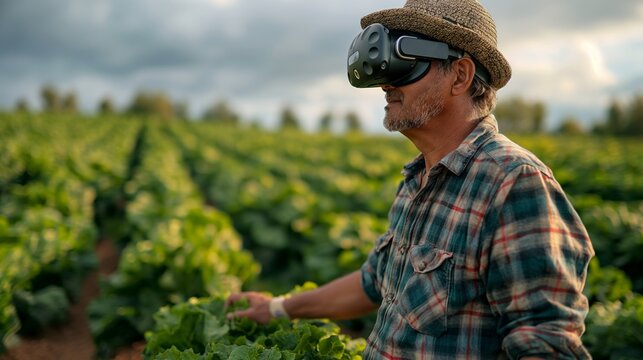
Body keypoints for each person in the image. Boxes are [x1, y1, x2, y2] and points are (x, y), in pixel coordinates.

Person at [227, 0, 595, 358]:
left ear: (461, 76)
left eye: (404, 63)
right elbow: (374, 282)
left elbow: (545, 341)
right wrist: (277, 308)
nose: (385, 84)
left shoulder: (513, 183)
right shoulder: (417, 178)